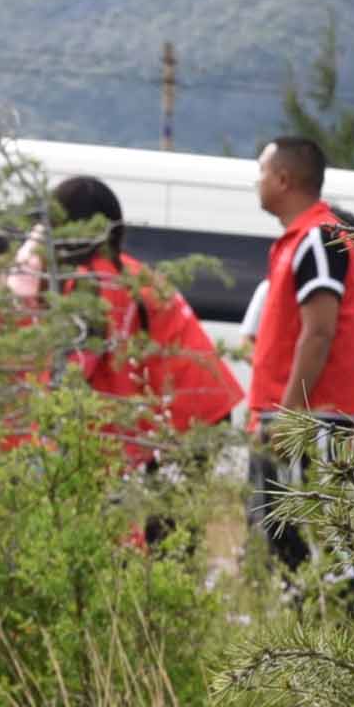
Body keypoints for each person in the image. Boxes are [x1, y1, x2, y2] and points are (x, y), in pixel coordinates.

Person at [49, 175, 239, 519]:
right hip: (197, 405)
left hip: (186, 413)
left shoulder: (95, 282)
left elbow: (79, 365)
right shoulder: (122, 270)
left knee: (163, 525)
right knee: (163, 521)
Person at [243, 135, 354, 590]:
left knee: (321, 537)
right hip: (292, 414)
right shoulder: (298, 240)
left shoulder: (319, 238)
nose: (257, 181)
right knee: (285, 539)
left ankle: (343, 625)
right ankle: (302, 622)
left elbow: (319, 332)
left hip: (311, 418)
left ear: (283, 179)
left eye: (261, 171)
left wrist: (290, 413)